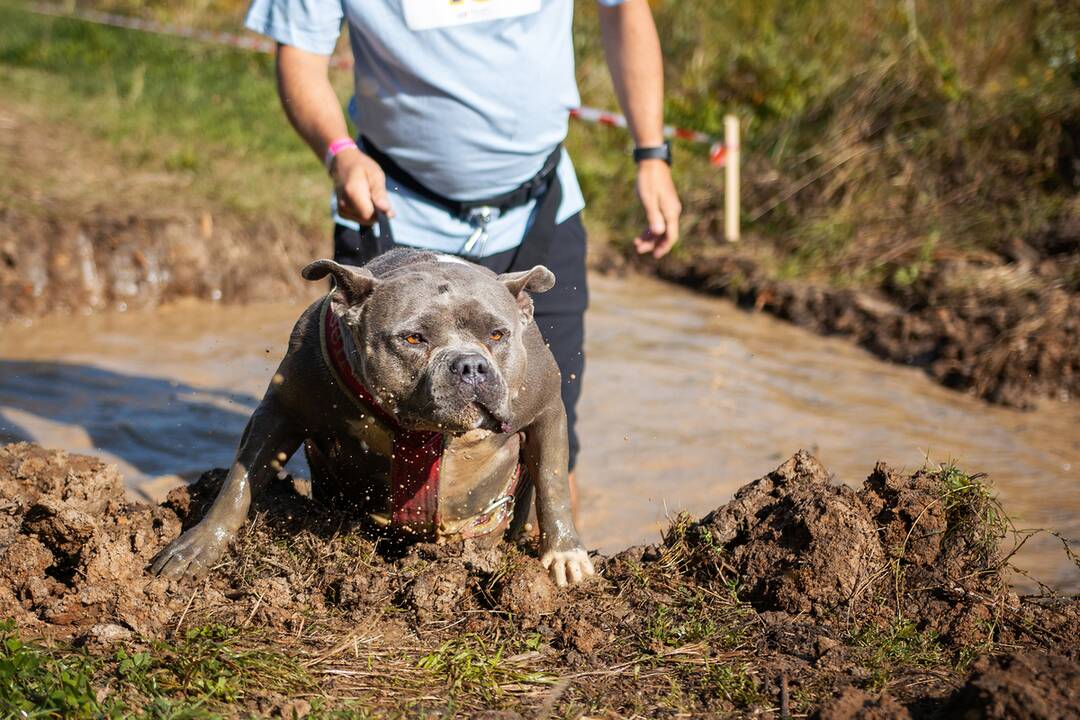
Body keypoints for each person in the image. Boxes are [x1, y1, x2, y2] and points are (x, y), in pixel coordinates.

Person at [244, 0, 682, 493]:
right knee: (356, 451)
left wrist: (651, 153)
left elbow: (624, 9)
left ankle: (536, 545)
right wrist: (339, 153)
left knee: (547, 449)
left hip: (537, 211)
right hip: (391, 207)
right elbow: (299, 51)